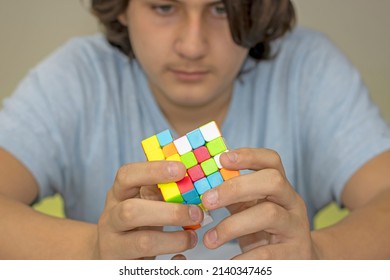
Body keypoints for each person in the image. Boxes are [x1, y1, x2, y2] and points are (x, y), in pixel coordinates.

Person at [0, 0, 389, 260]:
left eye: (220, 7)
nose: (192, 45)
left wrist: (317, 257)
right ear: (122, 8)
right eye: (165, 6)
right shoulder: (77, 78)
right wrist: (92, 252)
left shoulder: (308, 69)